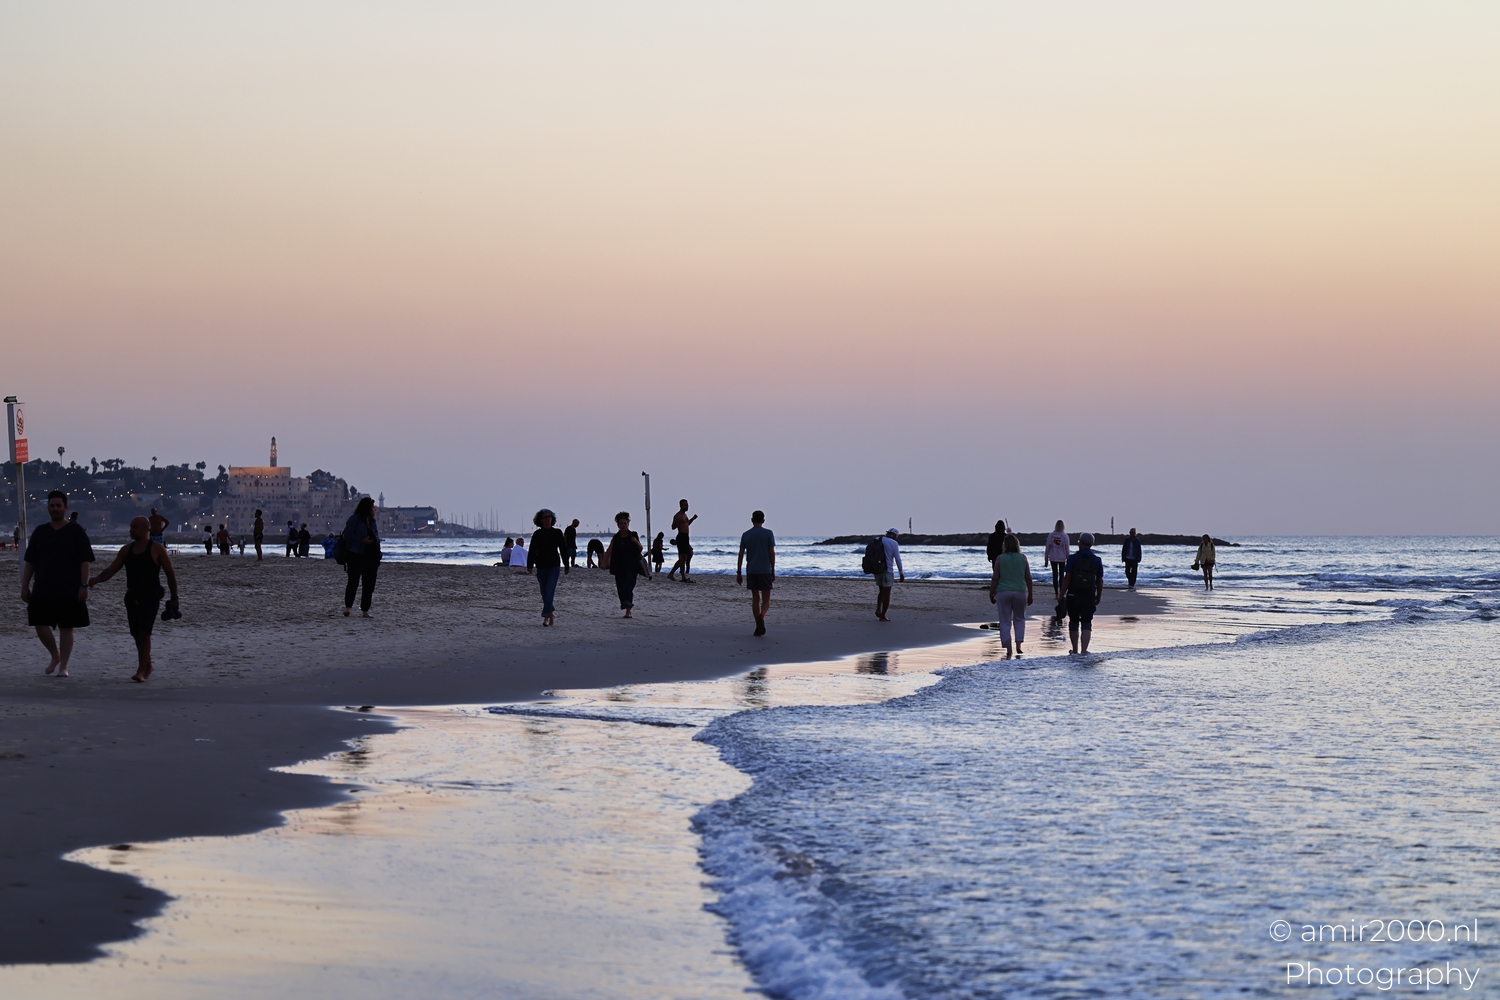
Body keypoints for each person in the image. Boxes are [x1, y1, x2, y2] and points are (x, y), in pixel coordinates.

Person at [89, 515, 179, 682]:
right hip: (132, 596)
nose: (131, 530)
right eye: (131, 526)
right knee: (136, 634)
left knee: (144, 633)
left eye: (134, 527)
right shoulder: (126, 550)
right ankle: (148, 665)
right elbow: (112, 569)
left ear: (146, 529)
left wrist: (174, 598)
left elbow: (170, 574)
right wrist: (97, 579)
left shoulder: (157, 549)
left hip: (151, 596)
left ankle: (141, 670)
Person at [21, 490, 95, 677]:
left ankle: (64, 666)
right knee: (39, 622)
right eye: (52, 506)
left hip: (69, 587)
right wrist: (24, 586)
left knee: (66, 627)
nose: (55, 509)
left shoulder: (75, 531)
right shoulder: (40, 531)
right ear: (48, 508)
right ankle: (55, 655)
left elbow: (85, 561)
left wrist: (84, 585)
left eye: (58, 506)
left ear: (65, 508)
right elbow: (30, 562)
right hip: (43, 587)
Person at [1057, 532, 1104, 655]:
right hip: (1089, 594)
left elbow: (1067, 578)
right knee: (1087, 623)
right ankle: (1084, 651)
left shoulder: (1073, 559)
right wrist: (1098, 596)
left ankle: (1075, 650)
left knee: (1073, 622)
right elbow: (1099, 581)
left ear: (1081, 543)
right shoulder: (1097, 560)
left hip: (1074, 594)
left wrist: (1061, 594)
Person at [988, 534, 1033, 657]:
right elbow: (1028, 578)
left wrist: (991, 592)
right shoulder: (1023, 558)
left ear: (1005, 545)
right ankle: (1018, 645)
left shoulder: (1000, 558)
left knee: (1005, 621)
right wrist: (1030, 594)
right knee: (1020, 619)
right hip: (1020, 592)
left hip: (1003, 592)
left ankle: (1009, 648)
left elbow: (995, 578)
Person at [526, 509, 570, 626]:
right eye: (545, 517)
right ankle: (551, 613)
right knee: (544, 592)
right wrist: (529, 565)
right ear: (540, 520)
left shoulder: (557, 533)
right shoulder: (537, 534)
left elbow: (563, 549)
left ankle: (545, 616)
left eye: (549, 517)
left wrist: (566, 564)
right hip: (541, 565)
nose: (547, 519)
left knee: (550, 590)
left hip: (554, 565)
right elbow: (532, 550)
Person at [736, 510, 776, 636]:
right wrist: (773, 569)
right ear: (763, 520)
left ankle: (758, 625)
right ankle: (761, 617)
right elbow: (771, 553)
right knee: (766, 599)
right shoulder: (768, 533)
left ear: (751, 520)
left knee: (755, 598)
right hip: (764, 569)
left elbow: (741, 554)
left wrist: (739, 572)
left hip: (751, 570)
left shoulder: (746, 535)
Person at [340, 497, 381, 617]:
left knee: (369, 584)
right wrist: (361, 540)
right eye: (373, 508)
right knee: (353, 582)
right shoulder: (355, 519)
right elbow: (347, 535)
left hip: (372, 557)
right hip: (356, 555)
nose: (375, 510)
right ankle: (348, 608)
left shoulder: (372, 522)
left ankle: (365, 610)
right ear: (367, 508)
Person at [604, 511, 643, 617]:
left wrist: (635, 541)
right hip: (619, 566)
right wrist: (604, 562)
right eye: (621, 523)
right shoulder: (616, 538)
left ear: (628, 524)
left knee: (627, 586)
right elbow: (609, 550)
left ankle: (628, 610)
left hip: (632, 565)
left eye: (625, 523)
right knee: (621, 589)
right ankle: (626, 607)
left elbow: (640, 549)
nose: (623, 525)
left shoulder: (633, 535)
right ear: (618, 525)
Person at [875, 528, 905, 622]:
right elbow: (897, 559)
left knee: (881, 590)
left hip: (877, 569)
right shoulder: (893, 543)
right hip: (888, 570)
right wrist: (901, 573)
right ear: (895, 536)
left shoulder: (878, 539)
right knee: (887, 594)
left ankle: (878, 609)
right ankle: (883, 616)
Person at [667, 499, 697, 581]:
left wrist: (693, 519)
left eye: (687, 505)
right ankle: (679, 575)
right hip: (681, 536)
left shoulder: (685, 515)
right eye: (685, 505)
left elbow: (686, 525)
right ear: (681, 506)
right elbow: (673, 527)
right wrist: (677, 522)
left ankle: (674, 574)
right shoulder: (677, 516)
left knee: (686, 556)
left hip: (686, 537)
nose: (687, 506)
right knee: (683, 557)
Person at [1044, 521, 1071, 597]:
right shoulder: (1065, 536)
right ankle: (1061, 593)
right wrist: (1068, 559)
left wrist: (1046, 559)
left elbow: (1047, 548)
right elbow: (1067, 549)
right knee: (1061, 575)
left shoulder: (1051, 535)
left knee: (1055, 575)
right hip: (1062, 558)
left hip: (1053, 558)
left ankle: (1056, 593)